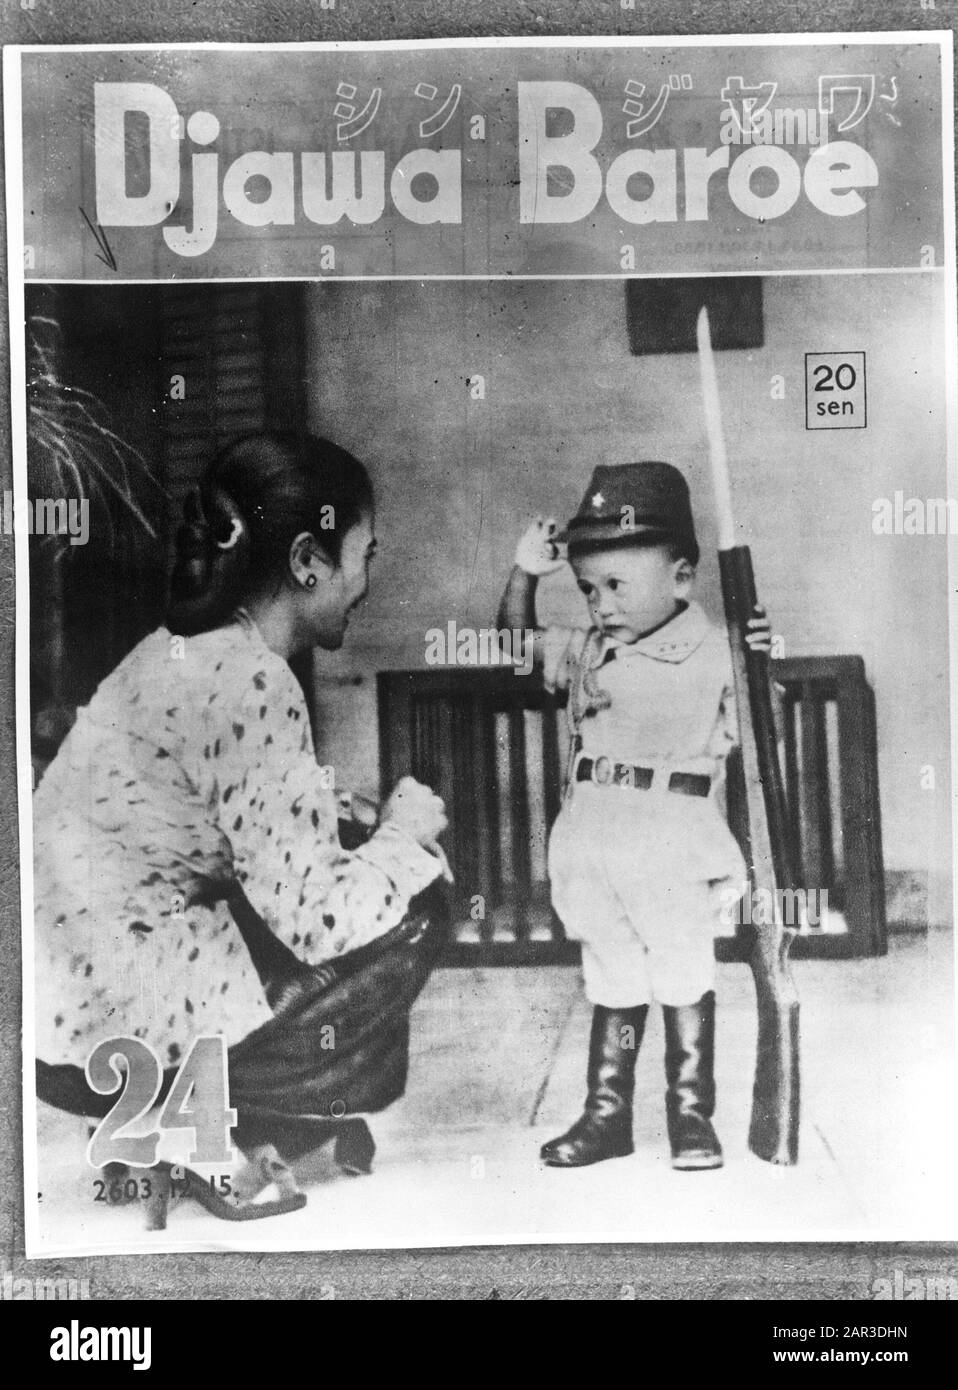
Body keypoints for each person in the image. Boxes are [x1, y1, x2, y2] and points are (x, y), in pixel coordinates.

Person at [34, 430, 449, 1215]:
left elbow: (182, 818)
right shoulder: (255, 680)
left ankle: (171, 1117)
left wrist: (336, 819)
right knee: (421, 902)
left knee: (360, 861)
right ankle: (209, 1129)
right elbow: (317, 921)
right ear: (307, 561)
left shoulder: (176, 650)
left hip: (50, 1013)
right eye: (363, 555)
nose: (365, 582)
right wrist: (402, 834)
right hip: (114, 1025)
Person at [499, 461, 772, 1171]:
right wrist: (525, 575)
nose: (601, 604)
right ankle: (607, 1116)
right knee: (612, 974)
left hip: (671, 839)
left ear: (681, 578)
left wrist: (760, 660)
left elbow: (758, 733)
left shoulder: (719, 651)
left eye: (617, 585)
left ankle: (690, 1116)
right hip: (595, 838)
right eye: (589, 589)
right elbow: (513, 650)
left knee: (682, 969)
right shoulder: (586, 647)